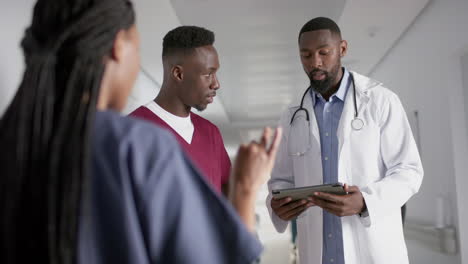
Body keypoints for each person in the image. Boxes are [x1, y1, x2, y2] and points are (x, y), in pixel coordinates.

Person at [0, 0, 281, 263]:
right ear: (118, 48)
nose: (215, 83)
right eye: (136, 47)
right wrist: (246, 189)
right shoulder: (138, 145)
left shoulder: (15, 139)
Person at [266, 17, 423, 264]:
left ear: (342, 49)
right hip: (318, 253)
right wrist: (277, 205)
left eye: (323, 53)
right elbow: (281, 179)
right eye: (305, 55)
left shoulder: (381, 101)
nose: (314, 63)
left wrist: (365, 201)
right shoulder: (292, 116)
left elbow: (410, 171)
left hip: (373, 251)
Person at [130, 26, 230, 194]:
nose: (216, 84)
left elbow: (229, 198)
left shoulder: (211, 133)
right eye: (208, 74)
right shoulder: (132, 131)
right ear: (178, 74)